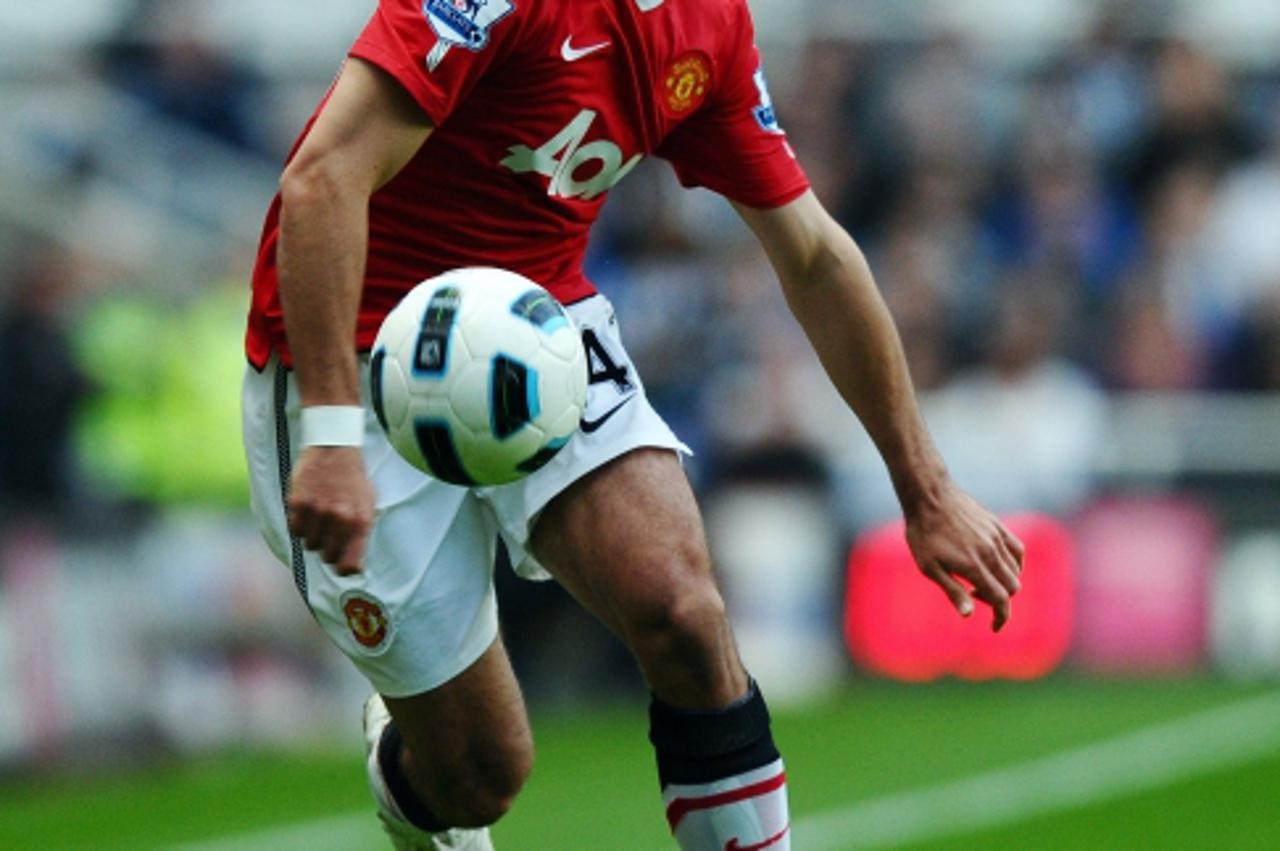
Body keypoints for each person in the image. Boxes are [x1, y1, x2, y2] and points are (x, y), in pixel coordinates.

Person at [239, 0, 1025, 848]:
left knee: (684, 613)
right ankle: (411, 764)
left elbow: (814, 254)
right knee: (478, 774)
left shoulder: (712, 25)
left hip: (539, 330)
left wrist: (926, 490)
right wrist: (329, 431)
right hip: (358, 357)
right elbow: (322, 177)